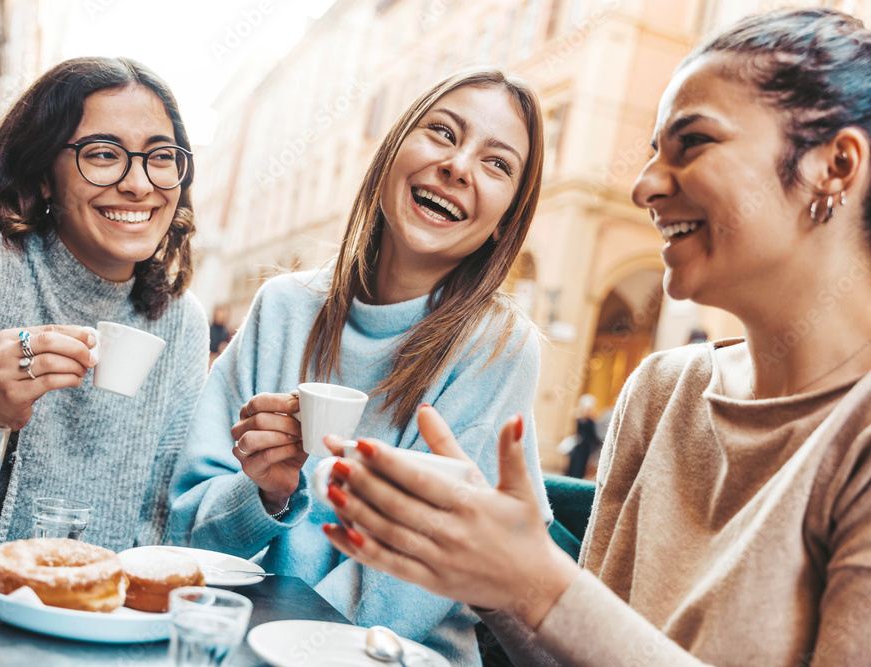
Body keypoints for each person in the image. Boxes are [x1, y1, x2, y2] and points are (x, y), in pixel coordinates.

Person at [321, 8, 871, 665]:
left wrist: (536, 580)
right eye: (650, 152)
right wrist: (487, 574)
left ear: (835, 165)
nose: (644, 187)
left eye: (691, 143)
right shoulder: (663, 390)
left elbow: (565, 606)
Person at [166, 70, 553, 664]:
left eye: (497, 164)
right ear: (393, 149)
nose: (458, 166)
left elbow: (415, 581)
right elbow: (187, 532)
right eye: (442, 133)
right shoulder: (283, 307)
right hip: (237, 642)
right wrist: (264, 496)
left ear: (505, 218)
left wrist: (277, 646)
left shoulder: (500, 348)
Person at [0, 57, 209, 551]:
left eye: (161, 157)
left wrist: (267, 489)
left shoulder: (182, 322)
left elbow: (166, 533)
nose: (139, 184)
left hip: (99, 620)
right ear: (45, 174)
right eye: (102, 154)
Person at [564, 394, 600, 479]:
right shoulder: (583, 420)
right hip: (581, 445)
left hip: (585, 446)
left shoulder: (587, 420)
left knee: (580, 464)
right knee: (576, 464)